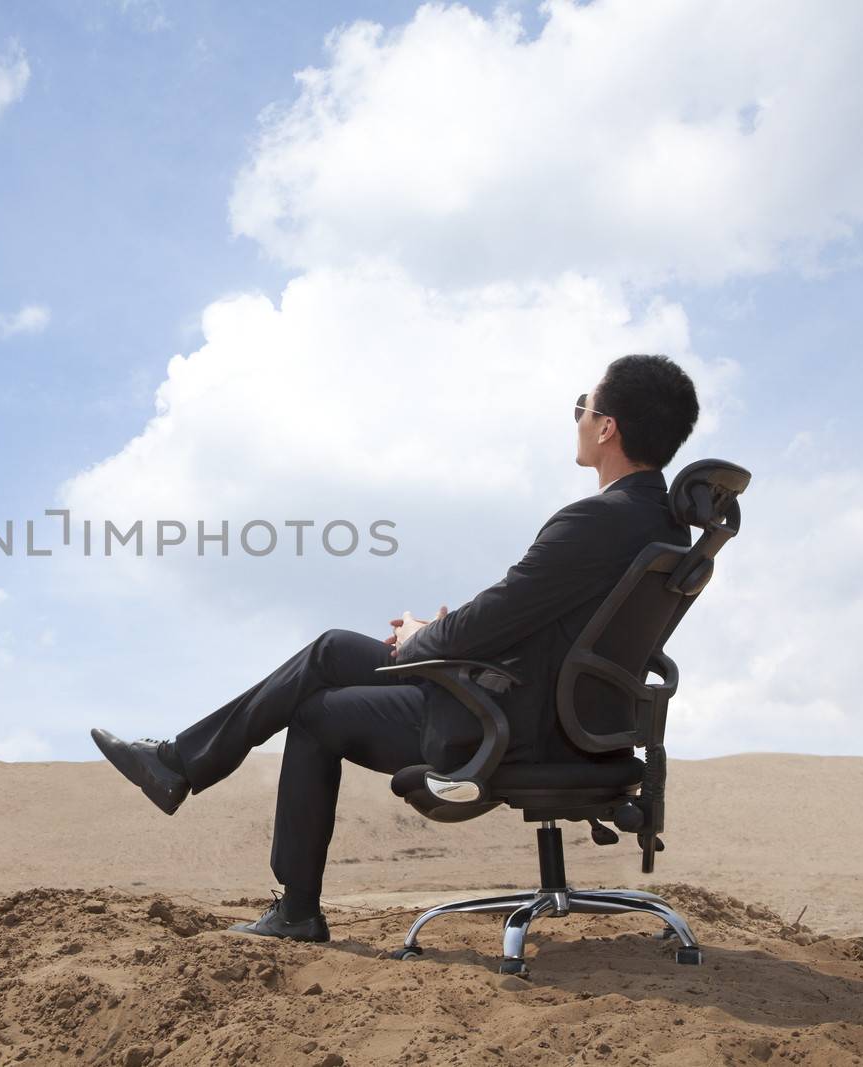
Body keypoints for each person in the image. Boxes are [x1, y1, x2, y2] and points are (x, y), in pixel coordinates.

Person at [91, 354, 701, 943]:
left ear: (607, 426)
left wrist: (417, 639)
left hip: (508, 724)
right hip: (571, 718)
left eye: (581, 407)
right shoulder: (665, 528)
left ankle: (291, 902)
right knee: (330, 651)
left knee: (314, 712)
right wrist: (442, 637)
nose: (577, 419)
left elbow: (494, 618)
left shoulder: (593, 522)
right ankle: (177, 764)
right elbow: (535, 619)